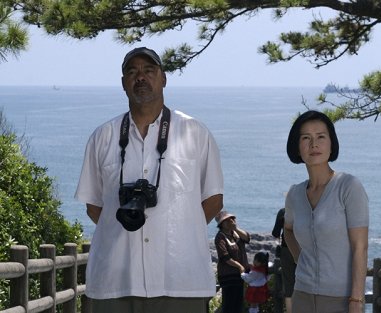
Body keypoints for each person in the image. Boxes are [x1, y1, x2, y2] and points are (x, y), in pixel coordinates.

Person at [74, 47, 224, 313]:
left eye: (149, 71)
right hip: (116, 280)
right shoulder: (103, 137)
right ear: (123, 84)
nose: (140, 77)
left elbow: (213, 199)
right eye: (132, 72)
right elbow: (94, 206)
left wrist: (176, 230)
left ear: (164, 78)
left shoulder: (195, 133)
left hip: (181, 280)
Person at [283, 110, 369, 313]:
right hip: (302, 296)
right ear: (297, 147)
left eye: (321, 137)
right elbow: (288, 230)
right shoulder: (294, 194)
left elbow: (360, 247)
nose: (314, 144)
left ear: (332, 144)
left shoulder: (348, 187)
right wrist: (301, 260)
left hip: (342, 300)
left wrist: (356, 301)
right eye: (306, 138)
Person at [214, 211, 250, 313]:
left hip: (239, 275)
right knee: (229, 303)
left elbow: (247, 238)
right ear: (221, 224)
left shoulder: (235, 234)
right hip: (228, 275)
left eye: (232, 220)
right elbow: (225, 257)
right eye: (226, 221)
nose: (230, 222)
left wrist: (236, 228)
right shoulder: (220, 237)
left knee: (238, 303)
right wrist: (239, 266)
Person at [272, 207, 296, 313]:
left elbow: (275, 233)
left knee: (289, 285)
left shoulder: (284, 211)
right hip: (306, 250)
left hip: (287, 250)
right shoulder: (306, 208)